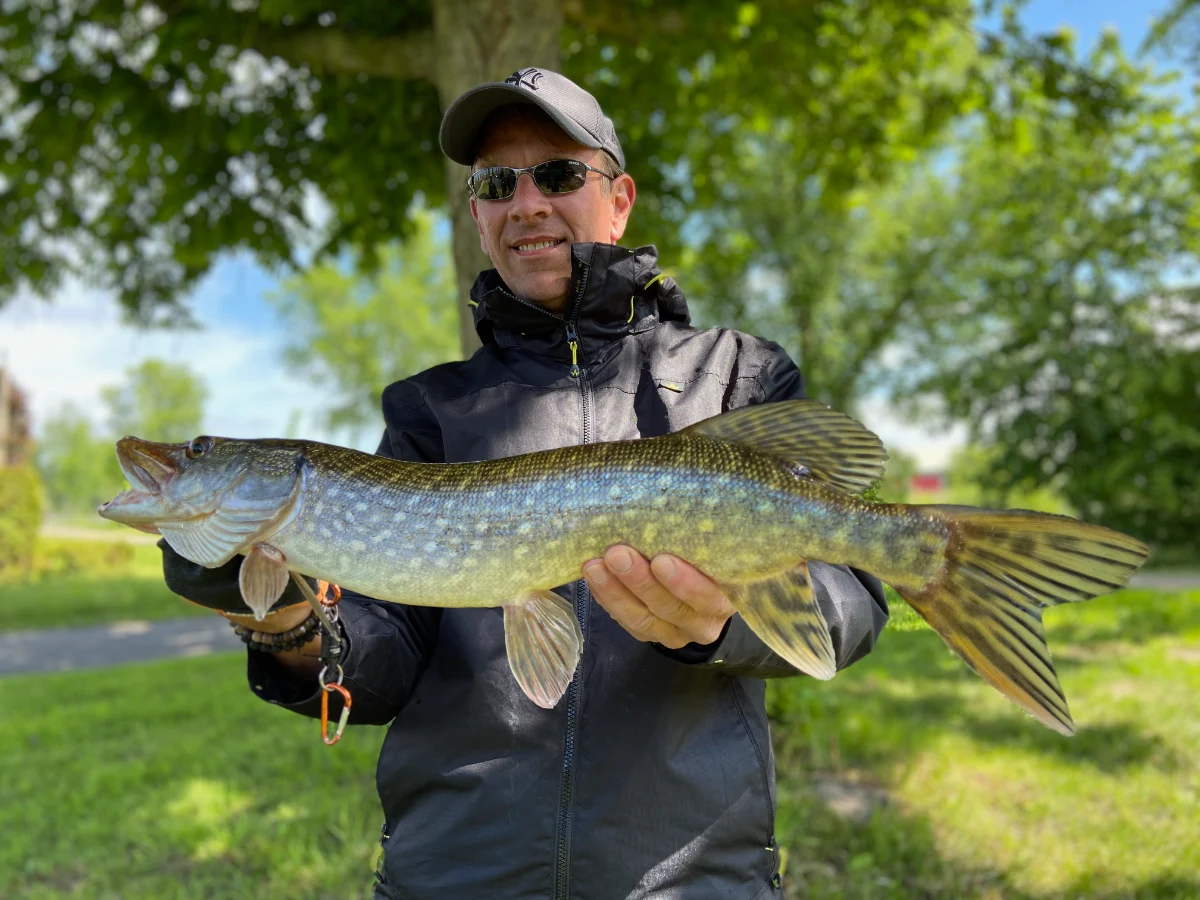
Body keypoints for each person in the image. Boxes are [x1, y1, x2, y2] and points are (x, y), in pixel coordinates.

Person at [161, 68, 889, 899]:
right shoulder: (431, 411)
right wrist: (286, 623)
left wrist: (722, 624)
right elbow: (386, 662)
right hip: (455, 877)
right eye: (497, 183)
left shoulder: (740, 376)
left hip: (691, 879)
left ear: (619, 200)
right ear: (478, 216)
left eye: (559, 174)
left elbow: (851, 603)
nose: (527, 201)